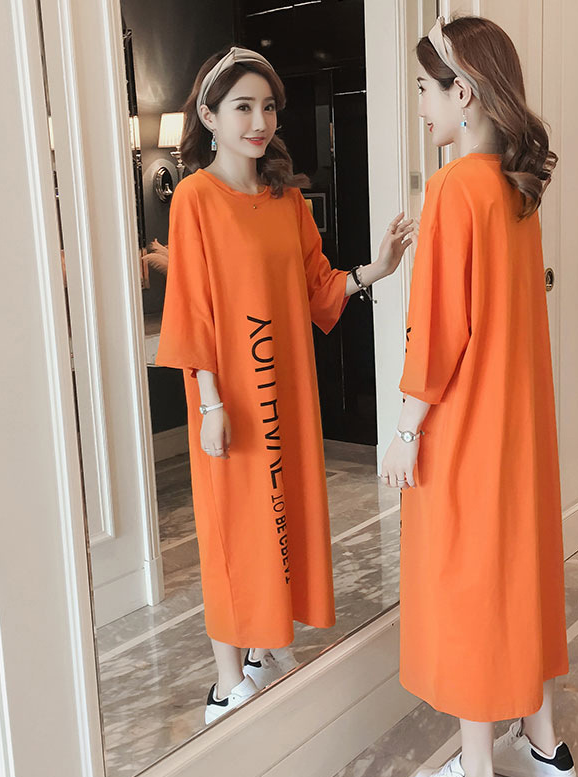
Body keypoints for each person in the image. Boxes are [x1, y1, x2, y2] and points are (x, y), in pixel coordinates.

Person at [156, 46, 414, 725]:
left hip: (285, 393)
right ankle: (226, 680)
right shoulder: (195, 198)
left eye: (268, 106)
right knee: (230, 528)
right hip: (227, 396)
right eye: (243, 106)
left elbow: (317, 288)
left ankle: (264, 648)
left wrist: (376, 269)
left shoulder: (287, 199)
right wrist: (210, 402)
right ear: (209, 115)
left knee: (280, 515)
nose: (260, 121)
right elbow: (193, 309)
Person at [380, 16, 576, 777]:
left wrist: (405, 428)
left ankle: (476, 776)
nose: (422, 105)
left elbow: (438, 330)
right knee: (516, 578)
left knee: (468, 586)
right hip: (518, 427)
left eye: (426, 90)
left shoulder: (455, 187)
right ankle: (546, 748)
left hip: (465, 427)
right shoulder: (518, 191)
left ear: (463, 93)